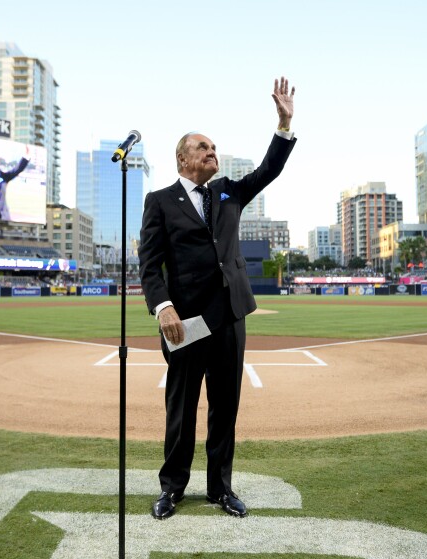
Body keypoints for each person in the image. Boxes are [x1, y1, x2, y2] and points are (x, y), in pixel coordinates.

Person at [138, 77, 296, 520]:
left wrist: (283, 124)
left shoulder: (228, 191)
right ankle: (172, 488)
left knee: (225, 406)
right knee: (181, 408)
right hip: (184, 321)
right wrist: (163, 306)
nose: (212, 152)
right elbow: (149, 264)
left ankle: (220, 489)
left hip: (229, 315)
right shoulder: (160, 201)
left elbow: (268, 170)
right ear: (183, 158)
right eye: (203, 147)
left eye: (214, 148)